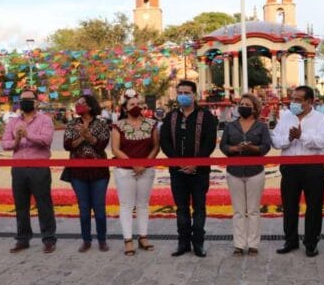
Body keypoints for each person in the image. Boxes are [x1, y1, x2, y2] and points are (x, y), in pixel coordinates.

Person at [160, 80, 218, 257]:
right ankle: (183, 243)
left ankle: (198, 243)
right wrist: (178, 162)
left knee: (199, 208)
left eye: (186, 93)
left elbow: (209, 142)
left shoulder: (206, 116)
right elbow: (165, 142)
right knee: (181, 208)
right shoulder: (171, 117)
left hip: (199, 171)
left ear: (194, 95)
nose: (183, 96)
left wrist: (195, 163)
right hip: (177, 171)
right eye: (180, 93)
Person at [271, 85, 324, 257]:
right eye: (293, 99)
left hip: (313, 168)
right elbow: (275, 140)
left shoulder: (319, 118)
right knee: (289, 205)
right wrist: (289, 139)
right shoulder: (286, 117)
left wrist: (301, 136)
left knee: (314, 206)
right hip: (290, 167)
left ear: (309, 101)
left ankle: (311, 243)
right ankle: (290, 240)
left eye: (298, 100)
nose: (294, 103)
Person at [2, 88, 57, 253]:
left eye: (29, 99)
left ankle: (48, 239)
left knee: (43, 204)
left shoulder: (45, 120)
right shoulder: (12, 122)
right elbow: (5, 144)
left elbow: (46, 140)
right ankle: (23, 239)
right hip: (18, 168)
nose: (25, 102)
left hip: (39, 167)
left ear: (36, 102)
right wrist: (17, 140)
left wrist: (27, 135)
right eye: (22, 100)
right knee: (20, 205)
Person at [220, 94, 272, 256]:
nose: (243, 106)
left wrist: (252, 149)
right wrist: (234, 149)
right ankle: (239, 244)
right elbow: (223, 146)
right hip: (234, 171)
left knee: (254, 210)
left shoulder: (261, 126)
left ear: (255, 108)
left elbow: (266, 147)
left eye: (247, 105)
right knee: (239, 211)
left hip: (255, 171)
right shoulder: (230, 126)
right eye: (241, 104)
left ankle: (253, 244)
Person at [111, 90, 160, 256]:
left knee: (143, 204)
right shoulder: (118, 126)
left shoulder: (151, 124)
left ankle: (143, 237)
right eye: (132, 104)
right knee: (126, 205)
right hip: (124, 171)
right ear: (125, 108)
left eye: (138, 104)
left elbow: (156, 146)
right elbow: (115, 149)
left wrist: (144, 164)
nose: (136, 107)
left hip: (146, 170)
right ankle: (128, 240)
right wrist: (133, 164)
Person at [64, 94, 111, 252]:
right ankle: (86, 240)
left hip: (99, 172)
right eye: (77, 103)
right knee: (84, 209)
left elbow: (101, 146)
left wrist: (89, 136)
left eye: (82, 103)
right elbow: (67, 145)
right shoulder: (72, 124)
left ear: (90, 106)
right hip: (78, 172)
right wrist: (83, 137)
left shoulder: (101, 124)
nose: (78, 105)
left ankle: (102, 240)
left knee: (99, 209)